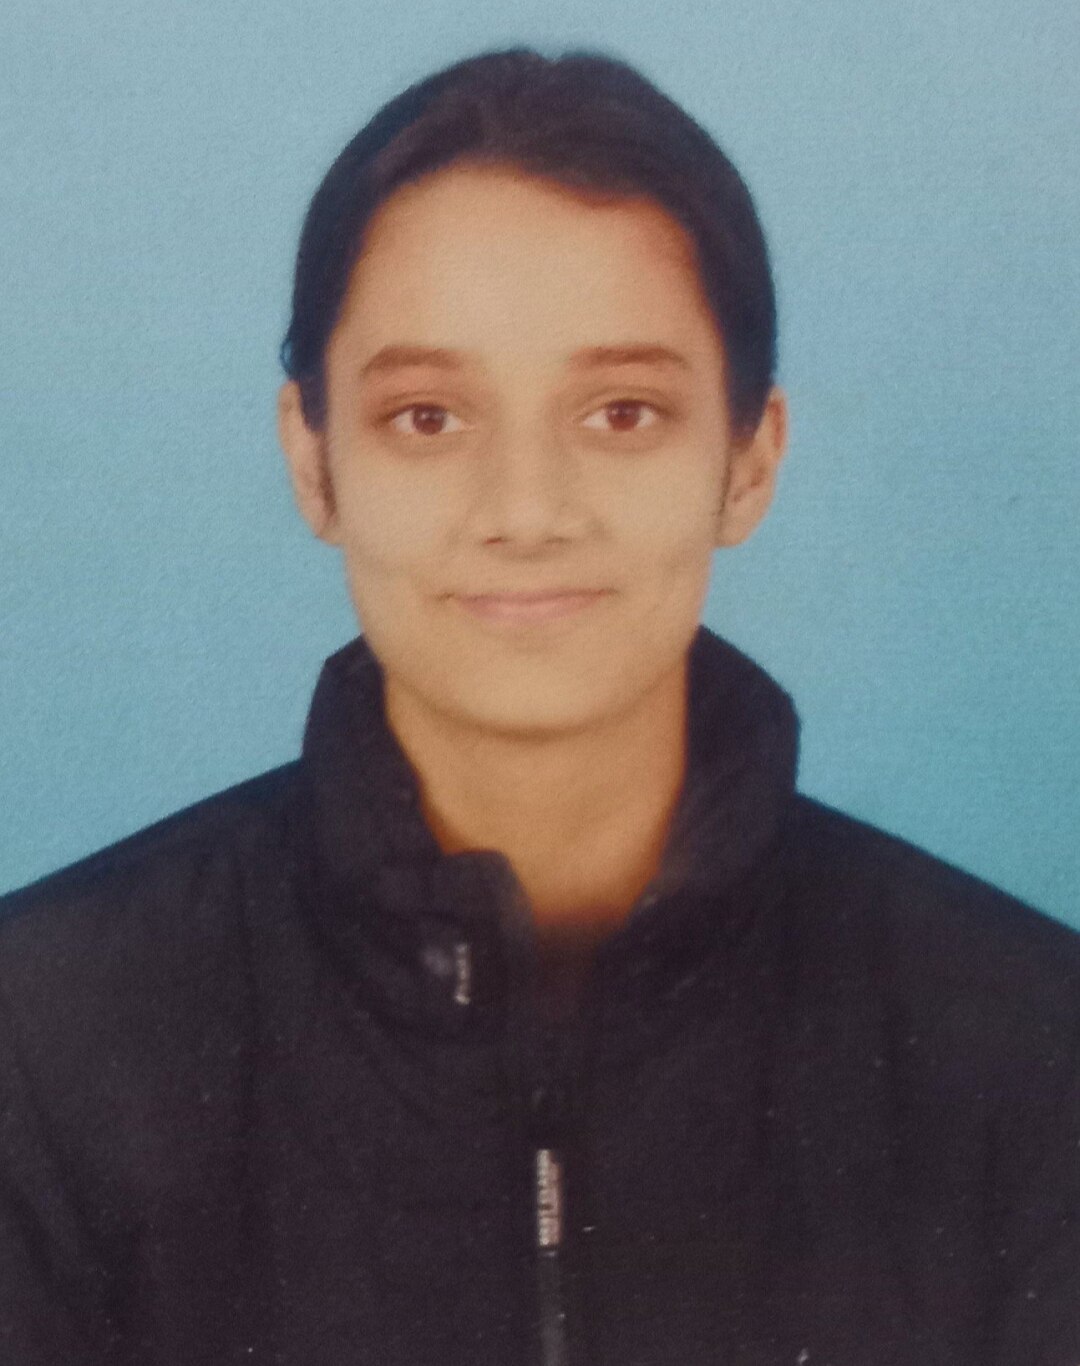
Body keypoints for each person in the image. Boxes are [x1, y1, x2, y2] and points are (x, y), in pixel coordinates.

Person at [1, 45, 1077, 1366]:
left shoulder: (1031, 1049)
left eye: (622, 412)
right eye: (427, 417)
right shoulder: (43, 1040)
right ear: (313, 461)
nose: (524, 510)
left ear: (749, 461)